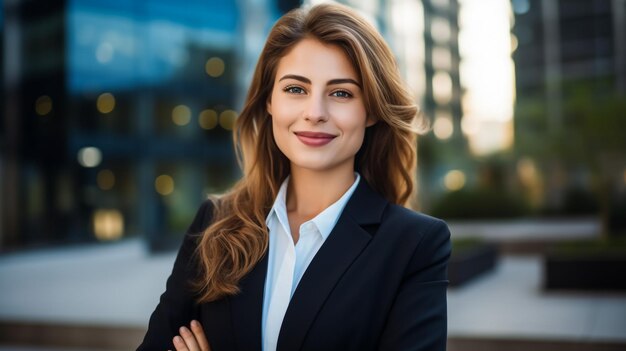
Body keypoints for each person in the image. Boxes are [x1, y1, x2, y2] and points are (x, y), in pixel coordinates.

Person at [137, 3, 451, 351]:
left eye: (341, 93)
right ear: (269, 100)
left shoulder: (416, 245)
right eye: (296, 89)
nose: (315, 113)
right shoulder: (215, 222)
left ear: (372, 110)